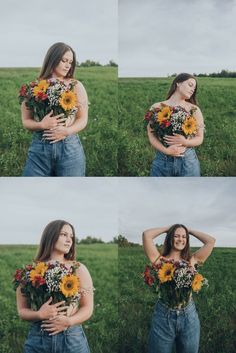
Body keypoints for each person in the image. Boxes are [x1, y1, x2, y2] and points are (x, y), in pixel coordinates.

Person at [16, 220, 93, 353]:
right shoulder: (30, 271)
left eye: (71, 237)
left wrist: (69, 321)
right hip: (38, 338)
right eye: (64, 234)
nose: (69, 240)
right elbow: (22, 311)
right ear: (50, 236)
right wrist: (39, 314)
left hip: (71, 338)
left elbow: (88, 307)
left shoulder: (79, 268)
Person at [142, 224, 215, 353]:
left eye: (183, 237)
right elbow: (146, 235)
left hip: (188, 316)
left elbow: (210, 241)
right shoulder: (160, 261)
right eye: (176, 236)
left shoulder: (192, 260)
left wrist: (189, 231)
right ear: (170, 237)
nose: (180, 239)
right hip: (163, 316)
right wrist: (168, 228)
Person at [21, 42, 88, 176]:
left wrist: (66, 131)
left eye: (70, 62)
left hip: (69, 148)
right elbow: (26, 121)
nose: (68, 65)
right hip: (40, 149)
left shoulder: (76, 85)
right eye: (64, 60)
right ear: (52, 59)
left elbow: (83, 118)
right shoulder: (34, 86)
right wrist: (41, 124)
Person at [147, 73, 205, 177]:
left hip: (188, 162)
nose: (192, 90)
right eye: (190, 85)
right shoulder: (157, 107)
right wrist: (166, 150)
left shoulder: (194, 110)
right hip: (162, 161)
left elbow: (200, 138)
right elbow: (151, 135)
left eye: (194, 88)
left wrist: (185, 142)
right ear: (178, 83)